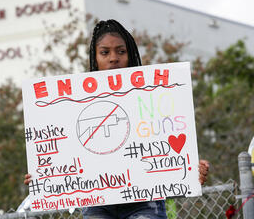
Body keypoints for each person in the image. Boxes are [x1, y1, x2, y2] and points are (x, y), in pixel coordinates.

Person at [24, 19, 210, 219]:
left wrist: (191, 168)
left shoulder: (154, 93)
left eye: (121, 51)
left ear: (130, 54)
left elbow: (167, 143)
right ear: (95, 58)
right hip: (96, 202)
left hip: (145, 202)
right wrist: (44, 175)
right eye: (105, 52)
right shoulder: (73, 103)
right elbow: (64, 147)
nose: (113, 58)